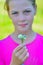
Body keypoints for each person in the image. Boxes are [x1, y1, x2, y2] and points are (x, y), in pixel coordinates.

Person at [0, 0, 43, 65]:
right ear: (9, 14)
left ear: (35, 9)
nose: (21, 19)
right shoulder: (1, 47)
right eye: (15, 13)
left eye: (27, 11)